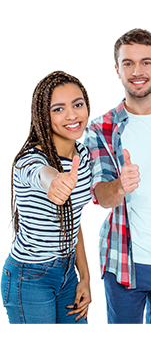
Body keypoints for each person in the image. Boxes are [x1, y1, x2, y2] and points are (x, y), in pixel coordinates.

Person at [85, 28, 151, 324]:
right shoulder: (101, 127)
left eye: (146, 62)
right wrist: (120, 186)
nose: (137, 71)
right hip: (125, 260)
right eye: (128, 63)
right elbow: (102, 196)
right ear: (117, 70)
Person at [1, 71, 92, 324]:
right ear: (43, 115)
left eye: (77, 104)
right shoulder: (28, 160)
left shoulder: (82, 156)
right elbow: (42, 174)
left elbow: (74, 222)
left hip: (67, 273)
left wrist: (84, 277)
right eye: (58, 109)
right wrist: (54, 181)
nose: (72, 115)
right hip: (29, 277)